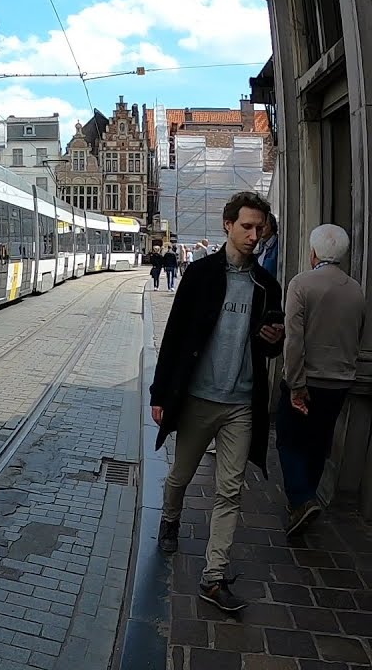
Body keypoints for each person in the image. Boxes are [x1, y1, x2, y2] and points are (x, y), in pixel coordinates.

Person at [150, 191, 284, 613]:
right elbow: (175, 335)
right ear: (228, 225)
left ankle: (213, 576)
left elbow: (269, 345)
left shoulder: (267, 285)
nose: (254, 235)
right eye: (246, 226)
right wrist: (159, 392)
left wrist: (272, 341)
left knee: (230, 491)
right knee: (181, 475)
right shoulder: (201, 275)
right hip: (197, 398)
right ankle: (170, 519)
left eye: (260, 228)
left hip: (242, 404)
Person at [276, 224, 366, 536]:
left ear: (313, 252)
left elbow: (294, 341)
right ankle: (305, 501)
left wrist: (295, 384)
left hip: (307, 380)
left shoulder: (301, 283)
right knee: (317, 443)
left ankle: (302, 498)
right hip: (339, 383)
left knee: (288, 440)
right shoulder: (356, 290)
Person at [256, 213, 279, 277]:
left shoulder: (278, 246)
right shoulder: (261, 245)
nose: (261, 229)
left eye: (264, 225)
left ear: (271, 225)